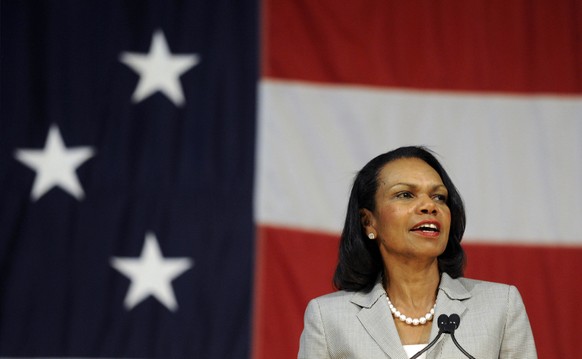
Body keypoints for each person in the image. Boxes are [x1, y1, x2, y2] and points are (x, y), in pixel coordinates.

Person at [298, 146, 537, 359]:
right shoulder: (329, 318)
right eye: (405, 194)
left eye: (439, 197)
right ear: (369, 221)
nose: (429, 205)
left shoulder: (499, 306)